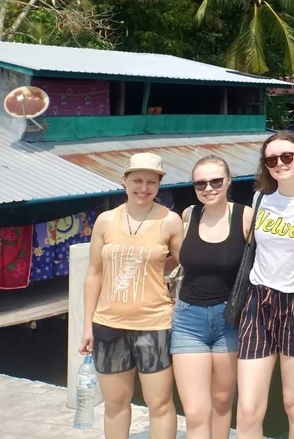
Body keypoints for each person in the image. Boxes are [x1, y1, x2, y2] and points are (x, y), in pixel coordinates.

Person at [79, 152, 184, 439]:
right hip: (108, 324)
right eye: (137, 180)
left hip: (154, 324)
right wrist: (87, 325)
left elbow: (185, 262)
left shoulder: (170, 221)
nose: (144, 188)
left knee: (159, 404)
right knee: (115, 404)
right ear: (124, 180)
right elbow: (94, 274)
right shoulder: (105, 221)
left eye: (152, 182)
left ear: (159, 185)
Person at [236, 132, 294, 439]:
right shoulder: (260, 199)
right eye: (271, 160)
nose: (279, 164)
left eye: (286, 157)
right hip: (258, 301)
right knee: (248, 407)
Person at [171, 155, 254, 439]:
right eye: (201, 183)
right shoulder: (188, 215)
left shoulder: (245, 216)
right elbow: (172, 257)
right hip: (188, 319)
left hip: (229, 319)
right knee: (195, 411)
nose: (208, 188)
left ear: (228, 181)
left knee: (221, 402)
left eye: (216, 181)